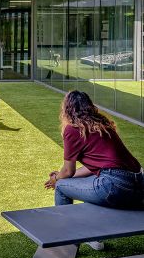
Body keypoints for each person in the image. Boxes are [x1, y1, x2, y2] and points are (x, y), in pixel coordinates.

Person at [45, 90, 143, 249]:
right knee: (81, 183)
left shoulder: (73, 129)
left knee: (62, 187)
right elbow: (96, 167)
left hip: (115, 185)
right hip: (138, 185)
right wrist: (64, 176)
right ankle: (92, 235)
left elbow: (68, 171)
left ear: (67, 108)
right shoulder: (102, 125)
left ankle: (66, 244)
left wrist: (56, 179)